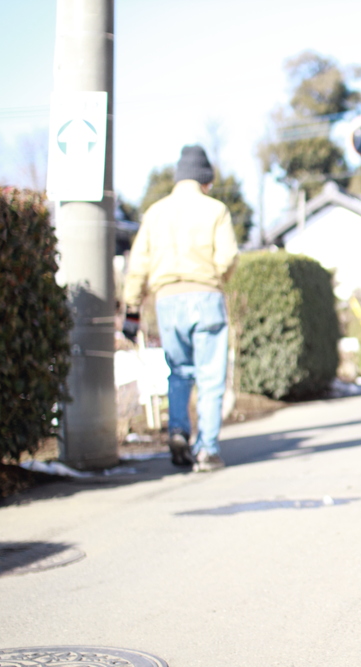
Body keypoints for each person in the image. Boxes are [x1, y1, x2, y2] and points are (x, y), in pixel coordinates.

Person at [123, 144, 239, 473]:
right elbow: (228, 256)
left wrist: (132, 307)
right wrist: (216, 276)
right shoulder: (215, 210)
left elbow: (139, 264)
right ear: (205, 180)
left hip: (167, 300)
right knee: (211, 377)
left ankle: (177, 431)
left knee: (179, 372)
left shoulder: (155, 212)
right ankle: (207, 450)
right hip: (205, 295)